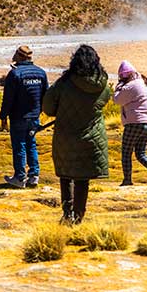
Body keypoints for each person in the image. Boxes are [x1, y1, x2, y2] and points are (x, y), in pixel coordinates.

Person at [42, 44, 112, 224]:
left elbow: (48, 108)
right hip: (92, 137)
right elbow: (102, 103)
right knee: (83, 179)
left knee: (66, 175)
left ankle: (67, 214)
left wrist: (63, 109)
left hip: (66, 135)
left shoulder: (64, 83)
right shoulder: (103, 84)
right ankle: (79, 217)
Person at [0, 44, 48, 188]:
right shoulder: (41, 73)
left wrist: (3, 116)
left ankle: (20, 177)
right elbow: (46, 95)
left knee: (19, 145)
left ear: (19, 56)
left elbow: (8, 98)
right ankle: (34, 175)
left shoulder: (15, 74)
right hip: (34, 116)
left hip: (18, 117)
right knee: (31, 144)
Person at [113, 60, 147, 187]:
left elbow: (117, 99)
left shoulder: (130, 86)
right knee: (141, 153)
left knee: (126, 153)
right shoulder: (145, 83)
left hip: (134, 123)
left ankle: (127, 180)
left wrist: (118, 86)